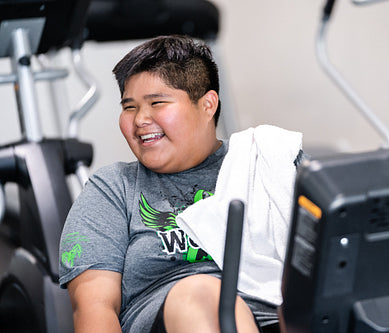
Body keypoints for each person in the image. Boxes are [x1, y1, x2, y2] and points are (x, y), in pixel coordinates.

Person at [59, 35, 302, 333]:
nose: (139, 120)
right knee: (203, 295)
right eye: (129, 107)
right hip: (175, 318)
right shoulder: (112, 189)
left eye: (157, 103)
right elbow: (93, 309)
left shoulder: (265, 163)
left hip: (277, 319)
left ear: (208, 104)